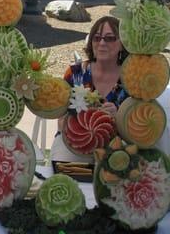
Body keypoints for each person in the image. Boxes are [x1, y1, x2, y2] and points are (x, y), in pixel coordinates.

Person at [50, 16, 129, 162]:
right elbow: (60, 121)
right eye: (97, 38)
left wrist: (118, 117)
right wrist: (76, 121)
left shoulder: (130, 81)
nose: (102, 43)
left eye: (110, 38)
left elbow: (133, 130)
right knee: (64, 171)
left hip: (113, 147)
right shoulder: (75, 74)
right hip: (72, 143)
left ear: (122, 44)